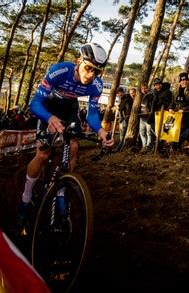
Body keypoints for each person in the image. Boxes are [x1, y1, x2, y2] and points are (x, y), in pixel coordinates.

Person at [16, 42, 114, 227]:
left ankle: (61, 192)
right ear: (78, 61)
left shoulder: (96, 85)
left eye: (96, 72)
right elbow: (35, 102)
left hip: (70, 108)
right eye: (88, 68)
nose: (91, 75)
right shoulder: (59, 71)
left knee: (73, 146)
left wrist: (101, 131)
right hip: (48, 107)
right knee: (43, 153)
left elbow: (92, 114)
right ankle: (25, 199)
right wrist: (49, 117)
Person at [169, 72, 189, 151]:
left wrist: (184, 109)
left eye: (185, 80)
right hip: (177, 116)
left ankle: (179, 148)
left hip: (188, 117)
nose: (184, 81)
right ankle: (174, 148)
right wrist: (170, 108)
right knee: (175, 132)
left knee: (184, 134)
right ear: (180, 81)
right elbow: (172, 102)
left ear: (188, 80)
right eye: (182, 80)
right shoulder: (175, 91)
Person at [113, 87, 133, 152]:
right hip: (122, 119)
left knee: (123, 134)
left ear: (123, 92)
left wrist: (125, 119)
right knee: (121, 134)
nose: (119, 94)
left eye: (120, 92)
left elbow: (127, 110)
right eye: (118, 93)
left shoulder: (127, 99)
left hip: (125, 119)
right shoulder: (121, 99)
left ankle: (120, 147)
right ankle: (120, 146)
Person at [139, 83, 156, 153]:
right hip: (142, 116)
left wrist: (150, 113)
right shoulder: (141, 96)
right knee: (142, 132)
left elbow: (153, 105)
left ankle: (148, 146)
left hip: (148, 117)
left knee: (149, 132)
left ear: (148, 88)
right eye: (142, 89)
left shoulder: (151, 94)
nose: (143, 90)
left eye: (145, 88)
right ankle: (144, 145)